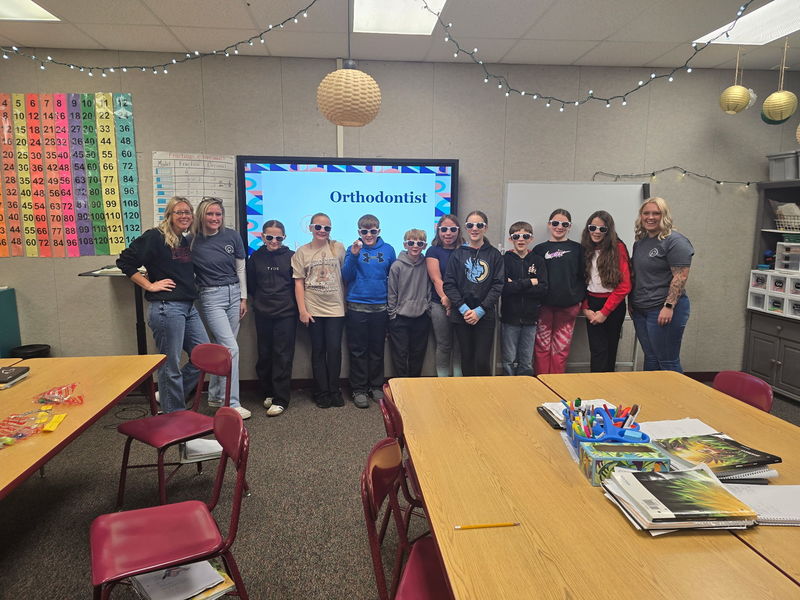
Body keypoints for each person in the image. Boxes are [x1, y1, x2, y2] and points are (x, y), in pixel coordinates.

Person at [116, 196, 209, 414]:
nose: (184, 216)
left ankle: (168, 399)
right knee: (170, 366)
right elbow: (125, 262)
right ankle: (174, 416)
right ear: (169, 215)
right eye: (179, 212)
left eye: (188, 212)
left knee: (204, 356)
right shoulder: (155, 237)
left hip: (188, 306)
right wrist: (149, 285)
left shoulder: (182, 240)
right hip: (167, 307)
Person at [191, 197, 250, 420]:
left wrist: (243, 298)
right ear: (201, 216)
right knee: (230, 348)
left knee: (221, 347)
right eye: (210, 214)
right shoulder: (191, 241)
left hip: (234, 294)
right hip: (211, 296)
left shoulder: (232, 236)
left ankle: (216, 395)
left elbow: (240, 268)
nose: (215, 218)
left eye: (218, 214)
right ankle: (232, 403)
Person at [630, 197, 693, 372]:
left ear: (664, 215)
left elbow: (680, 276)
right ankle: (651, 391)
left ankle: (674, 391)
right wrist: (632, 302)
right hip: (641, 309)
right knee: (651, 357)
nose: (650, 217)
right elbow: (638, 275)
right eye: (646, 213)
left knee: (667, 361)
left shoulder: (675, 241)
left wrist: (668, 306)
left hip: (663, 309)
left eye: (656, 213)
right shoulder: (640, 243)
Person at [292, 213, 346, 408]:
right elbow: (299, 283)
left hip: (335, 308)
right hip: (313, 308)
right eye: (318, 227)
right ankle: (322, 391)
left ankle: (334, 390)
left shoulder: (338, 248)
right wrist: (302, 310)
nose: (322, 231)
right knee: (318, 350)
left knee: (334, 350)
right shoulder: (302, 252)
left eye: (327, 228)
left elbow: (345, 275)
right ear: (310, 228)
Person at [342, 214, 396, 408]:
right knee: (358, 350)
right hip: (357, 307)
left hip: (380, 307)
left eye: (373, 231)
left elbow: (393, 278)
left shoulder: (388, 249)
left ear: (378, 231)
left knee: (377, 349)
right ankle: (358, 389)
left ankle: (375, 386)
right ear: (359, 232)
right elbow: (346, 275)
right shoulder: (352, 249)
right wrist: (354, 256)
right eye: (364, 231)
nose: (369, 235)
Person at [443, 210, 504, 376]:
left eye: (479, 225)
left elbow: (498, 285)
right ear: (466, 228)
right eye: (470, 225)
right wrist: (464, 309)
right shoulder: (457, 254)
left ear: (486, 228)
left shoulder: (494, 255)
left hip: (485, 315)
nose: (474, 228)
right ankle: (468, 392)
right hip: (462, 315)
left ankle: (484, 392)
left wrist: (480, 310)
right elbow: (449, 285)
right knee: (467, 359)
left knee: (482, 361)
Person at [247, 220, 297, 417]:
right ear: (262, 237)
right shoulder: (255, 257)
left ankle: (281, 399)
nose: (274, 241)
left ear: (284, 238)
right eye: (270, 237)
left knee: (283, 356)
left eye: (278, 238)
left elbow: (296, 285)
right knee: (265, 354)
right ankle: (268, 392)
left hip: (286, 313)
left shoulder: (292, 257)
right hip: (263, 312)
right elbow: (252, 285)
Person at [533, 209, 585, 375]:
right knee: (541, 346)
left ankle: (556, 383)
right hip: (543, 306)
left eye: (564, 224)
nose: (559, 227)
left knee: (561, 348)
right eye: (555, 223)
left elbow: (584, 276)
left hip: (569, 307)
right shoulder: (539, 249)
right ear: (549, 225)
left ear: (569, 226)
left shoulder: (578, 249)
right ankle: (542, 381)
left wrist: (579, 300)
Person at [580, 210, 631, 372]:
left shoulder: (618, 248)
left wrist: (604, 312)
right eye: (592, 228)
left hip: (613, 305)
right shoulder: (584, 249)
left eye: (602, 229)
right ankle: (595, 385)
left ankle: (608, 385)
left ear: (608, 230)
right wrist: (585, 308)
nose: (596, 232)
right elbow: (580, 281)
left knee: (610, 349)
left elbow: (625, 285)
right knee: (597, 351)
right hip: (592, 304)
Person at [500, 221, 548, 376]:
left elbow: (543, 289)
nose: (521, 239)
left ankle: (526, 386)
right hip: (509, 318)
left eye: (525, 236)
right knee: (508, 359)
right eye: (516, 236)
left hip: (531, 318)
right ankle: (509, 384)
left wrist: (515, 285)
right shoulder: (504, 260)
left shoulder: (538, 260)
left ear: (531, 239)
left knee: (526, 360)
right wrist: (530, 282)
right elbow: (504, 289)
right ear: (510, 239)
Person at [388, 229, 431, 377]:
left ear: (424, 246)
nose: (415, 246)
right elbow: (392, 292)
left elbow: (429, 287)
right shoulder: (396, 266)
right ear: (405, 244)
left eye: (420, 243)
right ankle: (401, 386)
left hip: (422, 316)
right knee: (400, 355)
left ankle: (415, 385)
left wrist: (428, 308)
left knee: (418, 354)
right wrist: (392, 314)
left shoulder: (427, 264)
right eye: (411, 243)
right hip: (400, 317)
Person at [425, 214, 464, 377]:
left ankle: (458, 381)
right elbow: (436, 279)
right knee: (444, 344)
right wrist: (446, 300)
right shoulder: (433, 251)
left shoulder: (464, 250)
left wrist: (457, 302)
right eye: (444, 229)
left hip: (462, 305)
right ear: (438, 231)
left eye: (452, 229)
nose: (448, 233)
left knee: (460, 344)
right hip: (439, 303)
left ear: (458, 231)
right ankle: (443, 381)